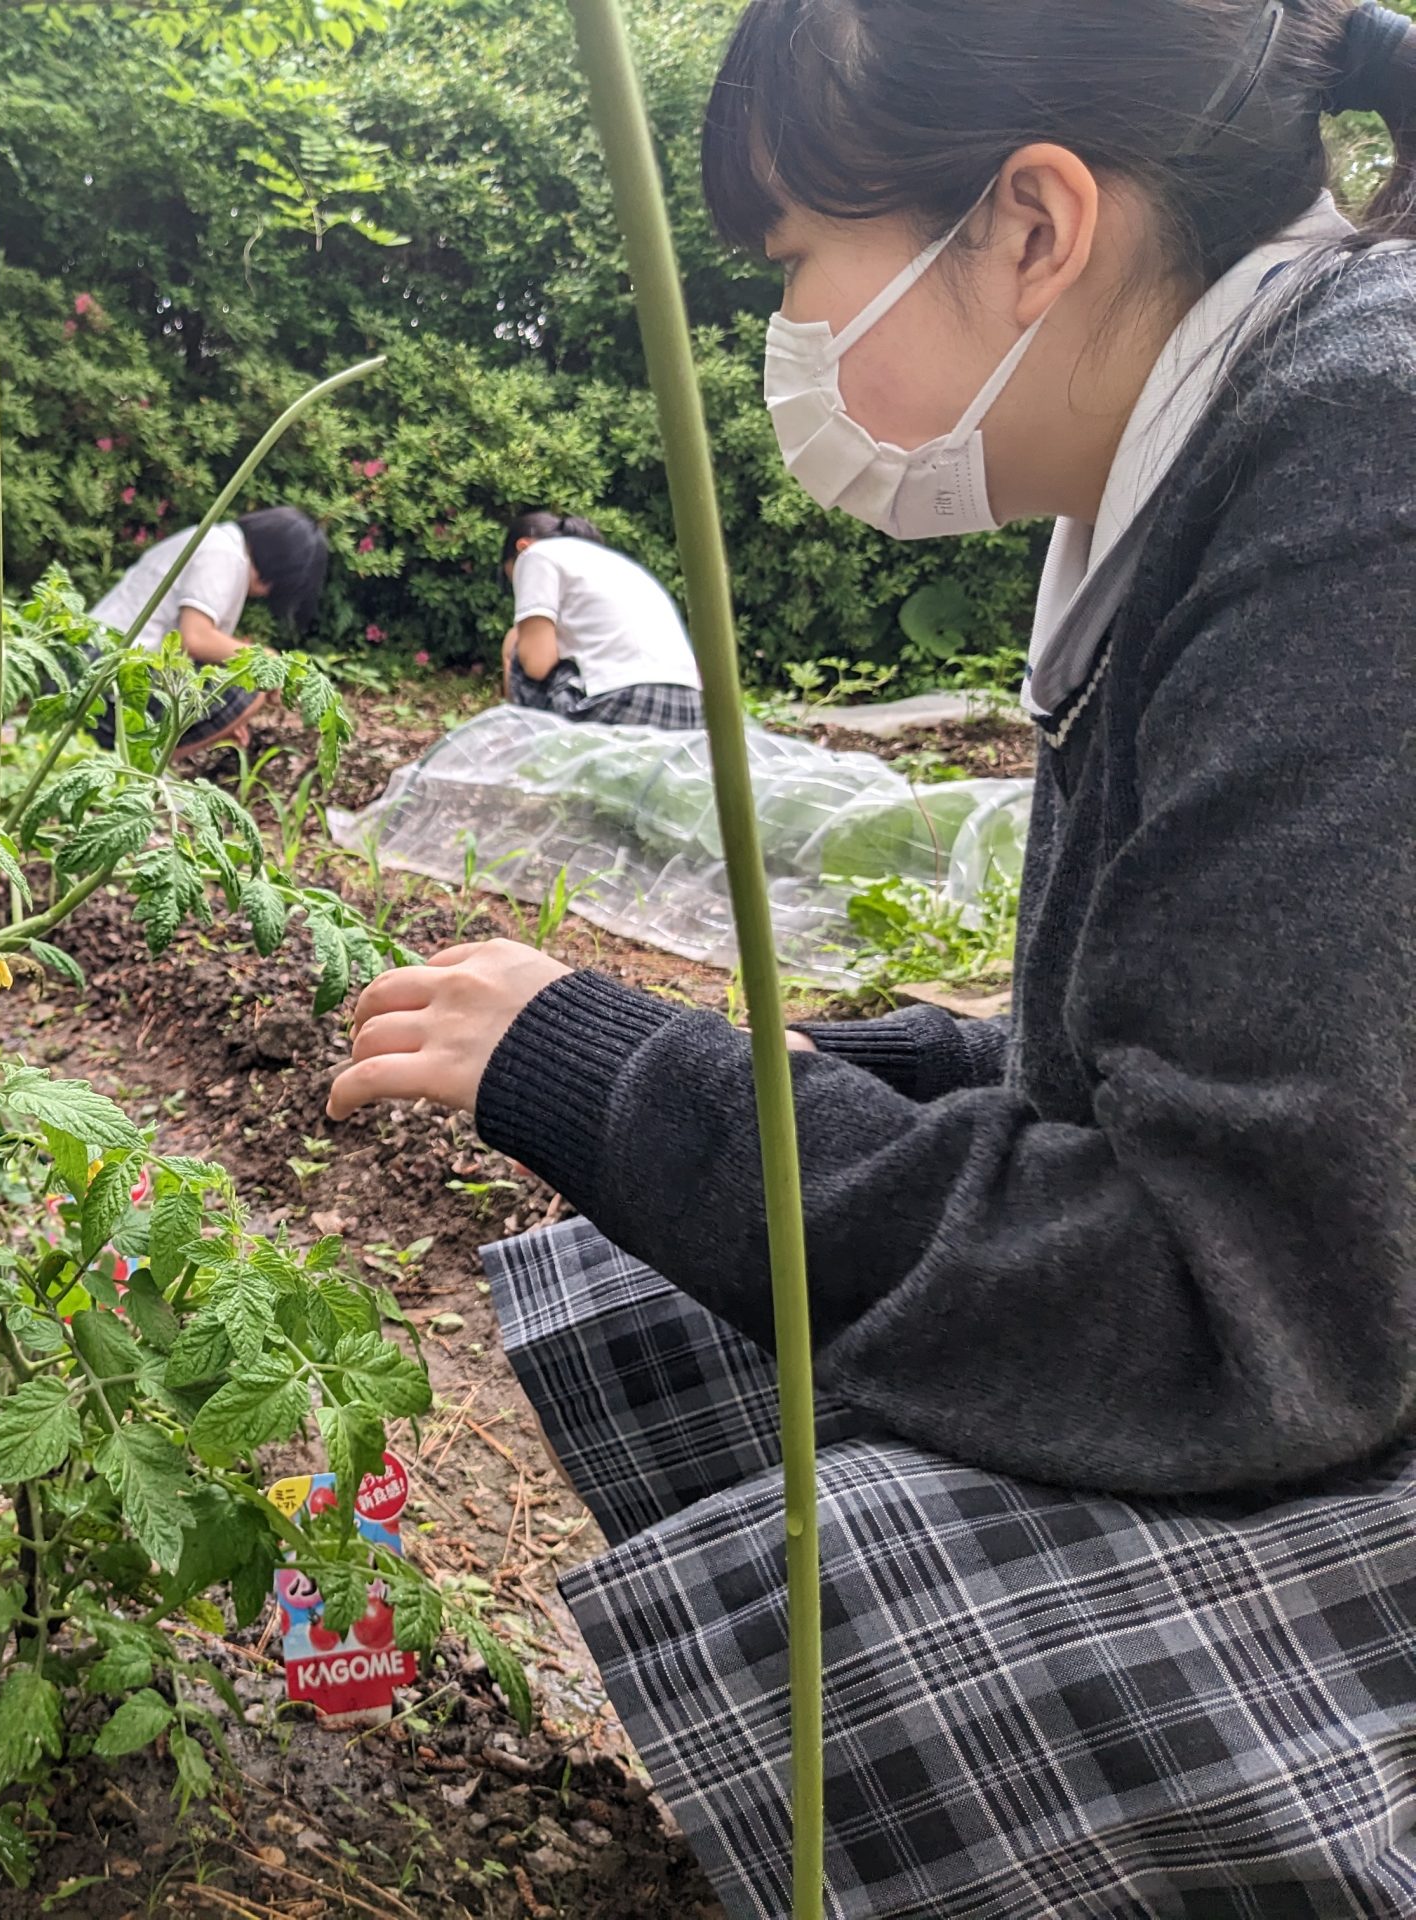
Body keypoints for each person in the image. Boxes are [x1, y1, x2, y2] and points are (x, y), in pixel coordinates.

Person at [332, 2, 1416, 1913]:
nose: (786, 344)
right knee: (674, 1301)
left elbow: (1229, 1295)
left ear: (1030, 225)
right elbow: (1148, 1072)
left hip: (1313, 1353)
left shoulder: (1363, 466)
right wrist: (833, 1069)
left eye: (794, 268)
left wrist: (619, 1071)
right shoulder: (1210, 456)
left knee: (861, 1605)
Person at [86, 505, 329, 755]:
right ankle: (136, 770)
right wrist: (267, 659)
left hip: (95, 656)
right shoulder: (225, 554)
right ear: (279, 571)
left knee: (225, 693)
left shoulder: (216, 541)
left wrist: (223, 721)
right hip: (106, 672)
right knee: (250, 689)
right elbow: (195, 638)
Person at [498, 509, 704, 728]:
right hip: (691, 710)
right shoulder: (613, 563)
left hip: (627, 699)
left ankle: (517, 744)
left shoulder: (535, 554)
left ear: (522, 547)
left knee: (517, 642)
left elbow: (537, 665)